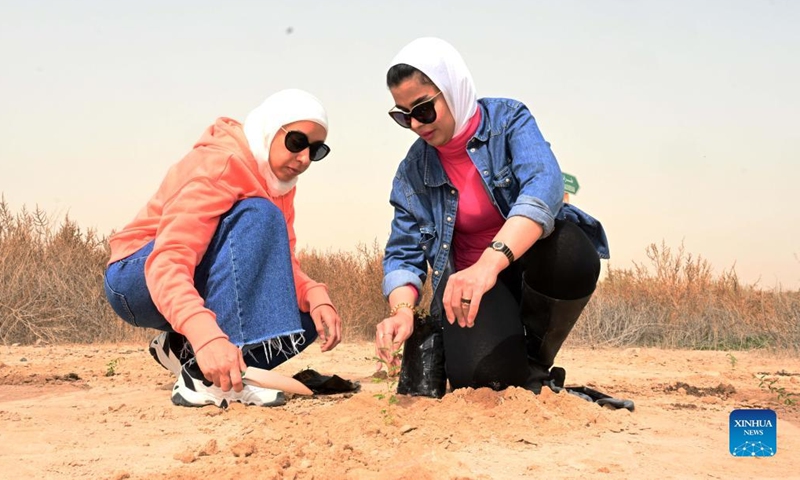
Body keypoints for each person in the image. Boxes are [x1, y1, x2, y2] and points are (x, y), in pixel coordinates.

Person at [375, 38, 610, 395]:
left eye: (422, 109)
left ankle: (533, 361)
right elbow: (402, 254)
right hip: (473, 293)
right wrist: (402, 311)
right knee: (484, 378)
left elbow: (544, 185)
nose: (415, 124)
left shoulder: (508, 120)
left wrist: (489, 263)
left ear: (453, 90)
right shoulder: (412, 172)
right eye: (402, 116)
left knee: (570, 251)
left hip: (526, 268)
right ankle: (521, 372)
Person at [104, 89, 342, 408]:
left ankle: (188, 355)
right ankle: (204, 375)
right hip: (135, 279)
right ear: (270, 129)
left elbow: (279, 262)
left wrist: (313, 294)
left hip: (191, 276)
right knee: (258, 213)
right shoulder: (220, 163)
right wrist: (206, 335)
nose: (304, 158)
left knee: (305, 322)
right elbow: (168, 261)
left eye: (316, 150)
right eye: (297, 142)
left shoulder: (278, 183)